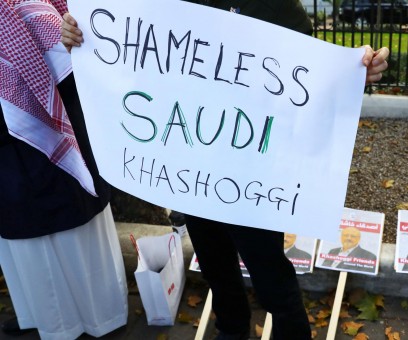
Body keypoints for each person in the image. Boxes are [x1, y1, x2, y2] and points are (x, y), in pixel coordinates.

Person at [61, 1, 389, 339]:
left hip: (252, 175)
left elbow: (308, 71)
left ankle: (292, 332)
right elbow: (131, 44)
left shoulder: (277, 7)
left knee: (269, 270)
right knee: (214, 263)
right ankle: (232, 329)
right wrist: (80, 35)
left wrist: (354, 69)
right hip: (193, 166)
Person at [0, 1, 128, 339]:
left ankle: (100, 319)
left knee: (74, 215)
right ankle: (42, 318)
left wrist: (64, 30)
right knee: (18, 228)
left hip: (52, 100)